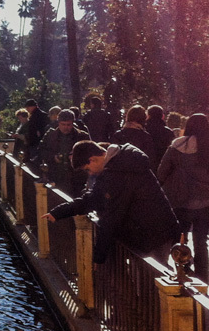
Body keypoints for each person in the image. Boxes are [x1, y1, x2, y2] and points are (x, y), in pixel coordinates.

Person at [43, 140, 180, 266]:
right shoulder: (114, 167)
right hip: (151, 231)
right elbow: (91, 199)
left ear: (93, 159)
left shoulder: (118, 173)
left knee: (150, 278)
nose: (89, 173)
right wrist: (59, 212)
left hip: (153, 233)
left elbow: (111, 218)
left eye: (87, 169)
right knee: (146, 276)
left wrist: (98, 258)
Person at [158, 114, 209, 282]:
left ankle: (183, 270)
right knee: (201, 240)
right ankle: (203, 277)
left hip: (180, 198)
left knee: (180, 237)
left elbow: (162, 172)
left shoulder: (177, 145)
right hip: (205, 200)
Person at [40, 109, 90, 193]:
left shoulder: (82, 136)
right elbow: (41, 151)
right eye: (63, 124)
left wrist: (75, 157)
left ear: (73, 123)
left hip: (76, 179)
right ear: (58, 123)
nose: (65, 127)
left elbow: (90, 155)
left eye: (68, 125)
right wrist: (53, 157)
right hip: (55, 176)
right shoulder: (51, 135)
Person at [112, 105, 159, 174]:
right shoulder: (145, 136)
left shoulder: (118, 135)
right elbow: (150, 159)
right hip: (139, 173)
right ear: (143, 118)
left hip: (120, 173)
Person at [145, 105, 174, 170]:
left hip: (145, 164)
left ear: (148, 116)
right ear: (162, 116)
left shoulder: (143, 130)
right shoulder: (168, 132)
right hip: (162, 165)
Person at [23, 99, 50, 165]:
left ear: (33, 106)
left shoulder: (39, 115)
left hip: (36, 142)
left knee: (34, 162)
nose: (27, 109)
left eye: (28, 107)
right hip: (34, 141)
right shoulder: (37, 115)